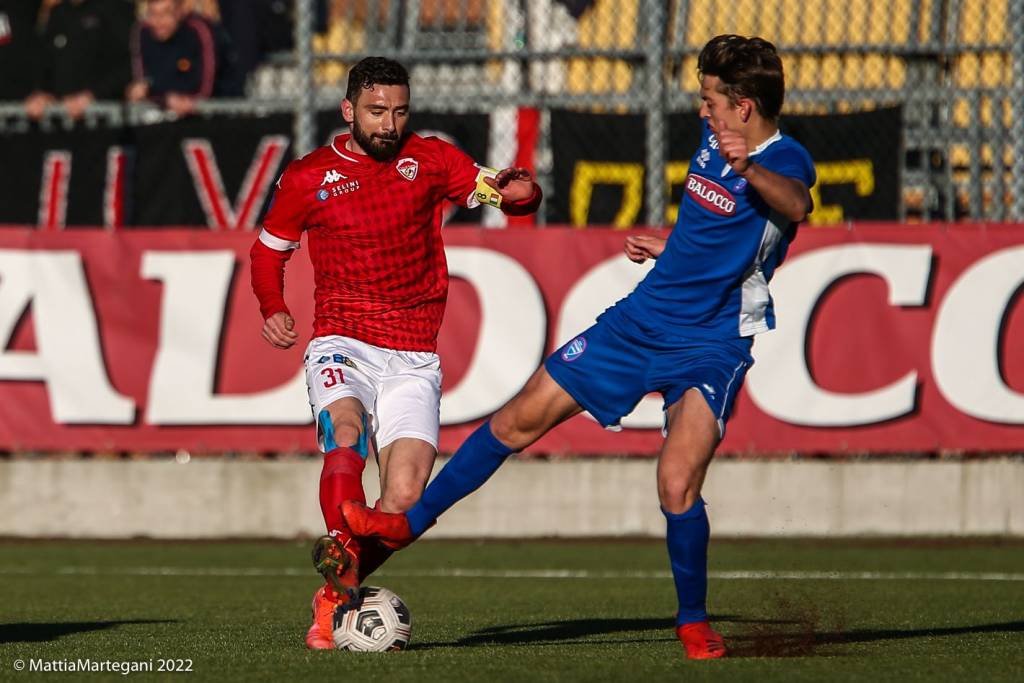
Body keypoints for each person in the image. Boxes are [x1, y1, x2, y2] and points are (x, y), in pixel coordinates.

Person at [341, 35, 816, 660]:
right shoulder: (711, 142)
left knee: (676, 485)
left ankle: (693, 622)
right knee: (515, 420)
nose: (703, 111)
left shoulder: (786, 160)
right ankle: (406, 525)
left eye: (711, 101)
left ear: (744, 107)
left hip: (711, 344)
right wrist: (668, 246)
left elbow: (797, 205)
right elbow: (718, 232)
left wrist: (749, 166)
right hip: (639, 323)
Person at [248, 56, 542, 650]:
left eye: (399, 111)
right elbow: (266, 252)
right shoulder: (308, 177)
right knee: (347, 433)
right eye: (377, 111)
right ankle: (343, 541)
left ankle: (335, 588)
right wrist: (272, 306)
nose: (389, 124)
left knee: (404, 501)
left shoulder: (430, 159)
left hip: (412, 354)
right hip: (342, 339)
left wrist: (519, 192)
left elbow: (509, 196)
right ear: (349, 110)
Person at [23, 0, 134, 120]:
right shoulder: (58, 12)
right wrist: (42, 93)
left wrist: (93, 95)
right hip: (60, 118)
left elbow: (131, 63)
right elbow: (45, 61)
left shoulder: (116, 9)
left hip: (104, 118)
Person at [127, 0, 238, 116]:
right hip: (161, 115)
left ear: (180, 12)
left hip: (216, 115)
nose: (158, 21)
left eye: (166, 13)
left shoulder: (200, 31)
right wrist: (164, 99)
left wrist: (164, 96)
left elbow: (205, 90)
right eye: (152, 13)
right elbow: (141, 85)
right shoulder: (142, 31)